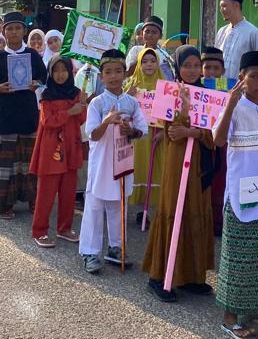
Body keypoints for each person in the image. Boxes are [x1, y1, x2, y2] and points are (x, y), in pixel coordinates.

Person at [213, 50, 258, 338]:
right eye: (253, 76)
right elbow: (217, 140)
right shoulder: (234, 107)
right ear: (241, 78)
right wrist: (230, 103)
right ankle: (230, 319)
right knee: (236, 260)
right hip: (239, 198)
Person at [142, 45, 215, 302]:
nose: (193, 70)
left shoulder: (209, 95)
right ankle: (159, 276)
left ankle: (192, 276)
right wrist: (183, 117)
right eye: (187, 65)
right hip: (176, 161)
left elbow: (214, 134)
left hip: (200, 163)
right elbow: (170, 130)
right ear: (177, 67)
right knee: (174, 209)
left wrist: (194, 131)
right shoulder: (170, 91)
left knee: (196, 210)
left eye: (197, 65)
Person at [79, 48, 147, 274]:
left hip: (123, 161)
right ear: (101, 76)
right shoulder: (97, 104)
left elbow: (142, 131)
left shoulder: (131, 102)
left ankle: (116, 248)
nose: (114, 76)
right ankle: (89, 251)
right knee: (95, 206)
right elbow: (92, 135)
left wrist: (131, 130)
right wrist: (107, 121)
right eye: (108, 72)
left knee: (119, 205)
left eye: (119, 71)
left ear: (125, 74)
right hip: (101, 164)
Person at [0, 11, 46, 218]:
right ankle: (5, 204)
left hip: (28, 113)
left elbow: (43, 78)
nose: (14, 32)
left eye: (18, 28)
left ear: (23, 31)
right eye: (10, 28)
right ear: (4, 31)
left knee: (29, 161)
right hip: (5, 115)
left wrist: (35, 83)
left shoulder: (33, 56)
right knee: (5, 164)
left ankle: (32, 200)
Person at [30, 55, 86, 246]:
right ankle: (39, 231)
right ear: (50, 72)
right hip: (52, 148)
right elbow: (48, 121)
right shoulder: (47, 95)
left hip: (71, 145)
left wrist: (83, 105)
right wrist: (70, 111)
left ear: (70, 72)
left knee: (69, 192)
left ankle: (64, 228)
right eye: (56, 70)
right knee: (46, 192)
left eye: (64, 70)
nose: (60, 74)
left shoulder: (76, 93)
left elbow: (81, 119)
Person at [126, 47, 165, 214]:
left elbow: (170, 112)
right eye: (145, 61)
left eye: (153, 60)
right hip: (138, 137)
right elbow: (123, 108)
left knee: (155, 168)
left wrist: (164, 132)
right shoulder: (132, 84)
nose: (149, 65)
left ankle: (150, 210)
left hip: (157, 135)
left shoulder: (164, 86)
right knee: (139, 167)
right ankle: (141, 210)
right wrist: (129, 94)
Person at [202, 46, 228, 236]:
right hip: (200, 143)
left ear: (223, 71)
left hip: (222, 145)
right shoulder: (194, 89)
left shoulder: (230, 91)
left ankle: (219, 223)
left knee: (220, 182)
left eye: (215, 68)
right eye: (207, 67)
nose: (211, 72)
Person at [214, 0, 258, 80]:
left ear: (236, 5)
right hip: (220, 88)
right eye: (220, 7)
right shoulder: (221, 32)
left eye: (224, 6)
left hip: (242, 89)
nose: (221, 10)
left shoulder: (252, 32)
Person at [127, 15, 175, 80]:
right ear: (142, 33)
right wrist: (142, 56)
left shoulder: (164, 55)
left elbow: (169, 78)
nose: (150, 35)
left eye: (154, 32)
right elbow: (127, 73)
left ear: (160, 36)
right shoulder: (136, 50)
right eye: (147, 32)